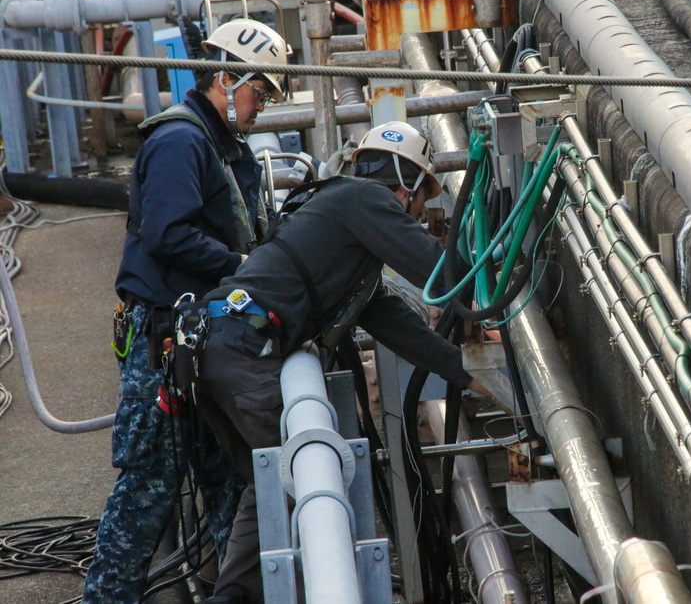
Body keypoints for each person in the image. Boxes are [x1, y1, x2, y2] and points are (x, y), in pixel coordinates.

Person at [189, 121, 480, 603]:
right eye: (421, 202)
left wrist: (463, 372)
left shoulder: (345, 230)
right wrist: (494, 287)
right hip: (244, 350)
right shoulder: (365, 199)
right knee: (305, 487)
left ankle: (230, 597)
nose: (418, 213)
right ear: (405, 186)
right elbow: (443, 277)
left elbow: (390, 320)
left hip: (220, 346)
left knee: (270, 489)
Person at [83, 17, 289, 604]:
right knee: (147, 493)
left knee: (225, 480)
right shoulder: (181, 141)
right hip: (163, 345)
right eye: (260, 93)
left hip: (196, 344)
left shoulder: (219, 144)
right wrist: (246, 265)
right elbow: (168, 235)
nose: (262, 109)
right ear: (227, 78)